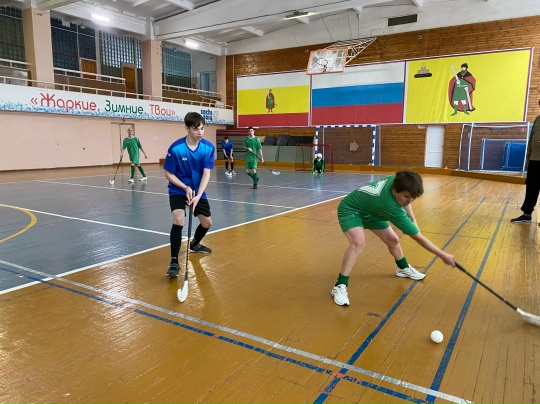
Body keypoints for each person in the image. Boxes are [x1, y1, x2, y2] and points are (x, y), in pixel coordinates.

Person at [331, 170, 455, 306]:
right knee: (357, 242)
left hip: (374, 212)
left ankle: (402, 268)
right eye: (406, 197)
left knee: (393, 240)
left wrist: (412, 218)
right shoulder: (389, 205)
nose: (409, 201)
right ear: (395, 190)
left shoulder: (399, 180)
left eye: (413, 198)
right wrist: (443, 255)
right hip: (351, 209)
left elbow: (407, 200)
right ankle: (340, 285)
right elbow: (418, 238)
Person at [163, 112, 215, 278]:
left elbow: (206, 174)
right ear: (187, 128)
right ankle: (174, 261)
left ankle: (195, 244)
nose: (200, 132)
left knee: (207, 223)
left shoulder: (208, 148)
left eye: (202, 128)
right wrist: (185, 187)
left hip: (198, 191)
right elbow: (168, 173)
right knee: (179, 219)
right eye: (195, 129)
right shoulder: (176, 148)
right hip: (179, 189)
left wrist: (198, 195)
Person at [511, 101, 540, 224]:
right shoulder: (538, 119)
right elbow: (531, 139)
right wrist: (528, 158)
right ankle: (527, 214)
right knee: (531, 188)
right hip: (534, 160)